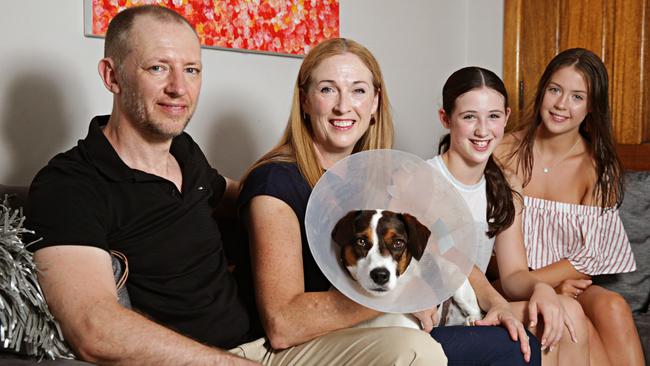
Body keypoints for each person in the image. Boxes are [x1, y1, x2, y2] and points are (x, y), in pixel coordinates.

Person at [238, 38, 541, 366]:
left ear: (374, 104)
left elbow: (445, 245)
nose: (343, 106)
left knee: (515, 339)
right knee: (506, 349)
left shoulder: (378, 180)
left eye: (358, 91)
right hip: (307, 343)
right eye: (327, 90)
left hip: (372, 330)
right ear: (305, 101)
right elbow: (283, 325)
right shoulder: (275, 184)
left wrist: (496, 301)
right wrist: (400, 296)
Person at [25, 5, 254, 365]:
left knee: (377, 323)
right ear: (112, 77)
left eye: (191, 70)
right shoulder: (68, 186)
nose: (179, 88)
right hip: (204, 362)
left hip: (261, 346)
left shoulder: (185, 151)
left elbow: (241, 197)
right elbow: (93, 329)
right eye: (158, 67)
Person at [427, 66, 591, 365]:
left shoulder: (506, 184)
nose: (482, 130)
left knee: (568, 312)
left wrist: (541, 288)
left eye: (493, 116)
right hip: (433, 317)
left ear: (506, 116)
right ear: (445, 119)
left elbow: (514, 276)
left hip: (480, 307)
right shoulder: (424, 179)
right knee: (551, 321)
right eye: (469, 117)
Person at [496, 48, 643, 365]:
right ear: (542, 91)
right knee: (577, 321)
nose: (562, 104)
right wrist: (544, 286)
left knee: (613, 306)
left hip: (569, 281)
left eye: (577, 96)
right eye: (555, 90)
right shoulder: (503, 150)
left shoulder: (597, 167)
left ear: (592, 107)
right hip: (506, 281)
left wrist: (555, 284)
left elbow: (592, 253)